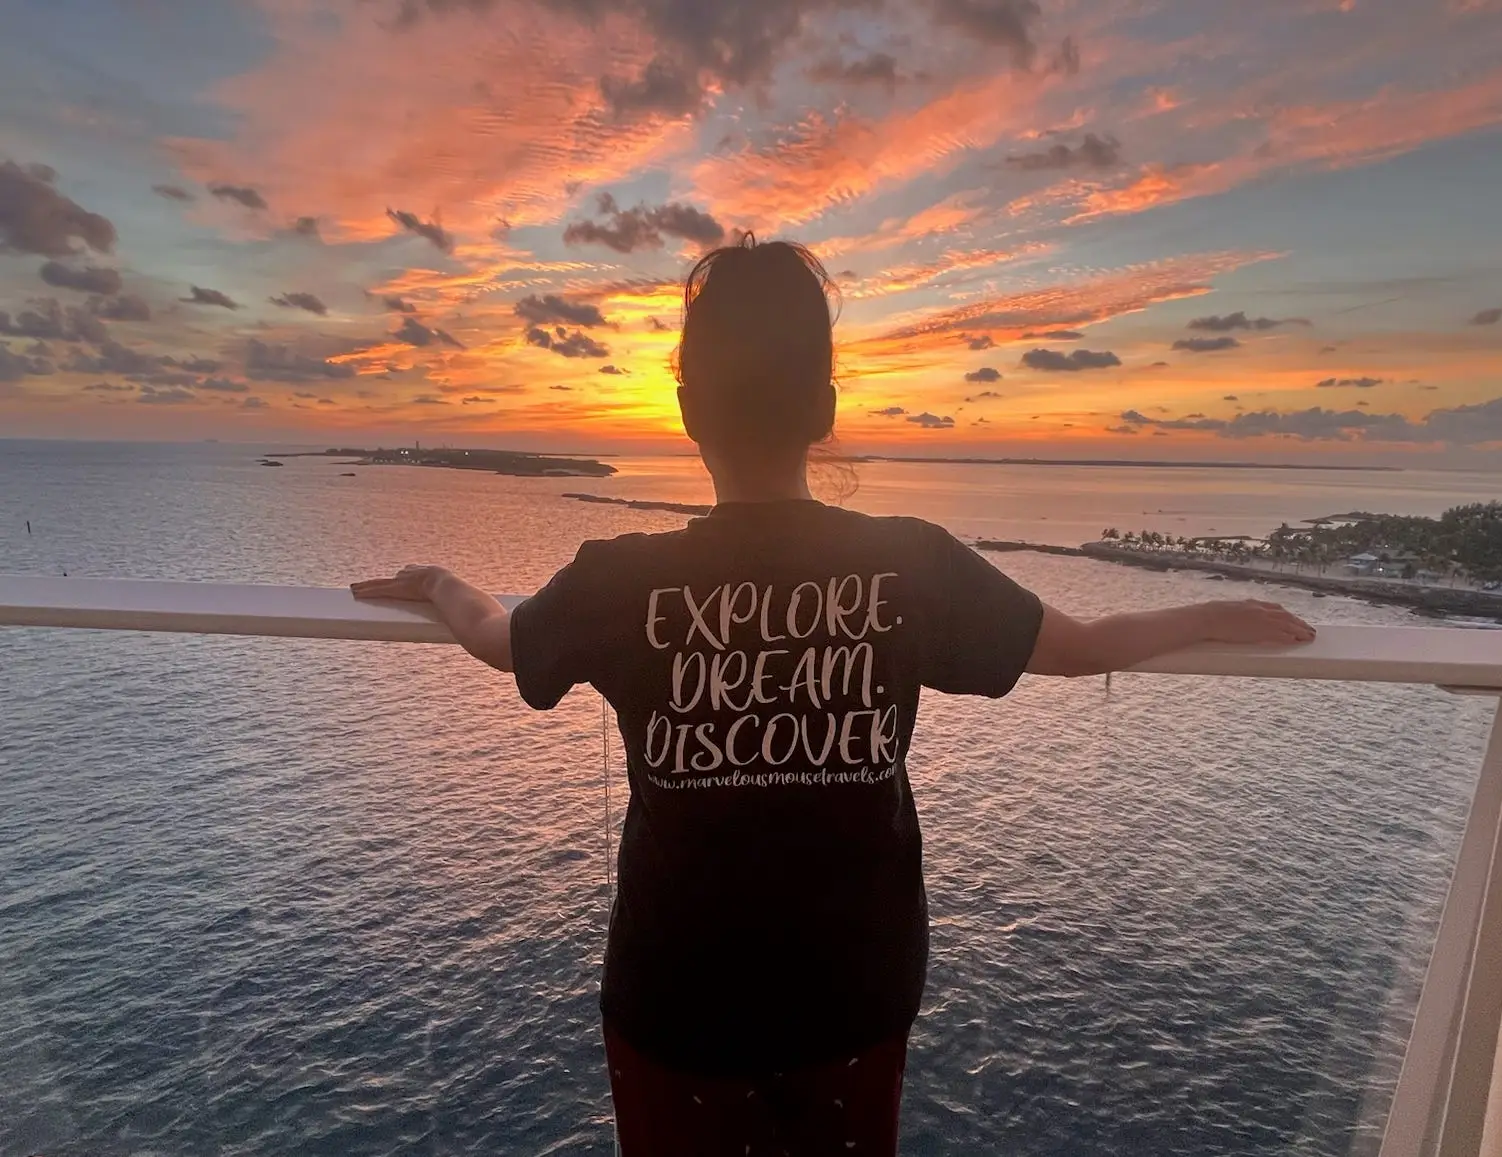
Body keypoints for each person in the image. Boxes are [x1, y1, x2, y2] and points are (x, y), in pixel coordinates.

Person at [351, 236, 1315, 1155]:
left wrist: (438, 582)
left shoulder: (618, 582)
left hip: (677, 1003)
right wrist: (1205, 614)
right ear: (823, 405)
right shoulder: (911, 564)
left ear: (686, 411)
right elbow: (1081, 646)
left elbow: (497, 638)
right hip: (850, 999)